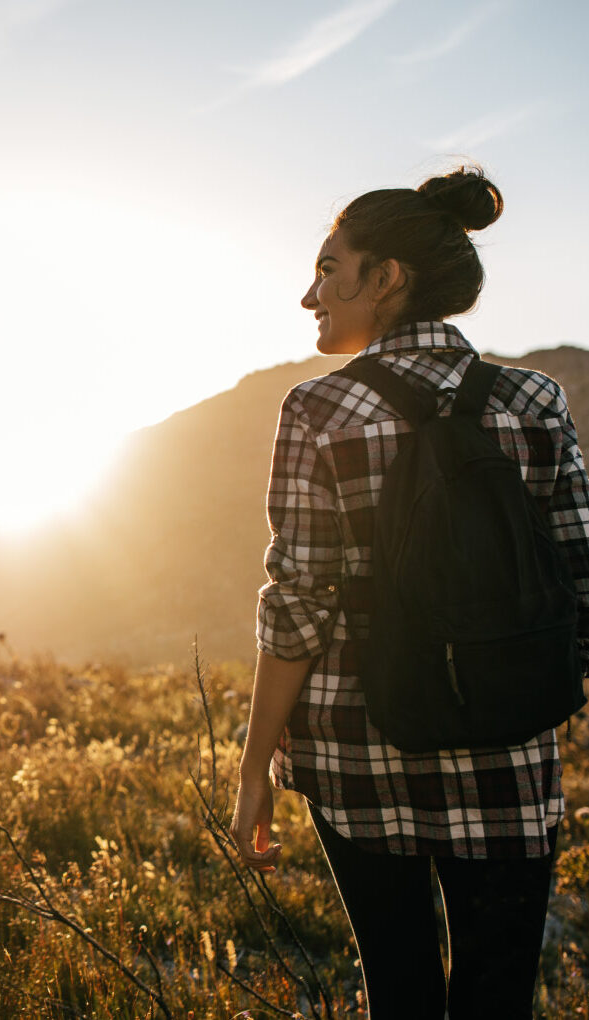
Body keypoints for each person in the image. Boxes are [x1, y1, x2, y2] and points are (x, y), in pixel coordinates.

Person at [232, 168, 588, 1017]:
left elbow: (297, 605)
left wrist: (253, 766)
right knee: (498, 997)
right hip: (508, 750)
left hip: (357, 749)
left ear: (385, 278)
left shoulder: (319, 408)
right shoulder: (532, 398)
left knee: (397, 988)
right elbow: (579, 580)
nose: (308, 294)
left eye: (328, 268)